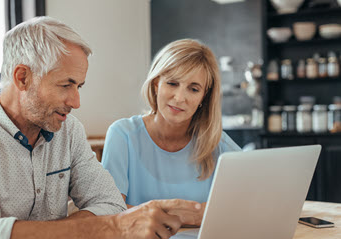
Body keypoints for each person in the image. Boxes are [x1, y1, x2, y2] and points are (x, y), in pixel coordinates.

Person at [0, 17, 202, 239]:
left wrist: (34, 238)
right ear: (22, 77)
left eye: (79, 87)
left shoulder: (69, 131)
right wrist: (115, 228)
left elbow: (110, 204)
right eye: (65, 85)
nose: (76, 102)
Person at [102, 39, 241, 224]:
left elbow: (248, 204)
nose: (179, 97)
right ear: (156, 84)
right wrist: (192, 215)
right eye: (172, 83)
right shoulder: (122, 135)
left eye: (193, 89)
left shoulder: (218, 144)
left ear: (203, 97)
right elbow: (111, 212)